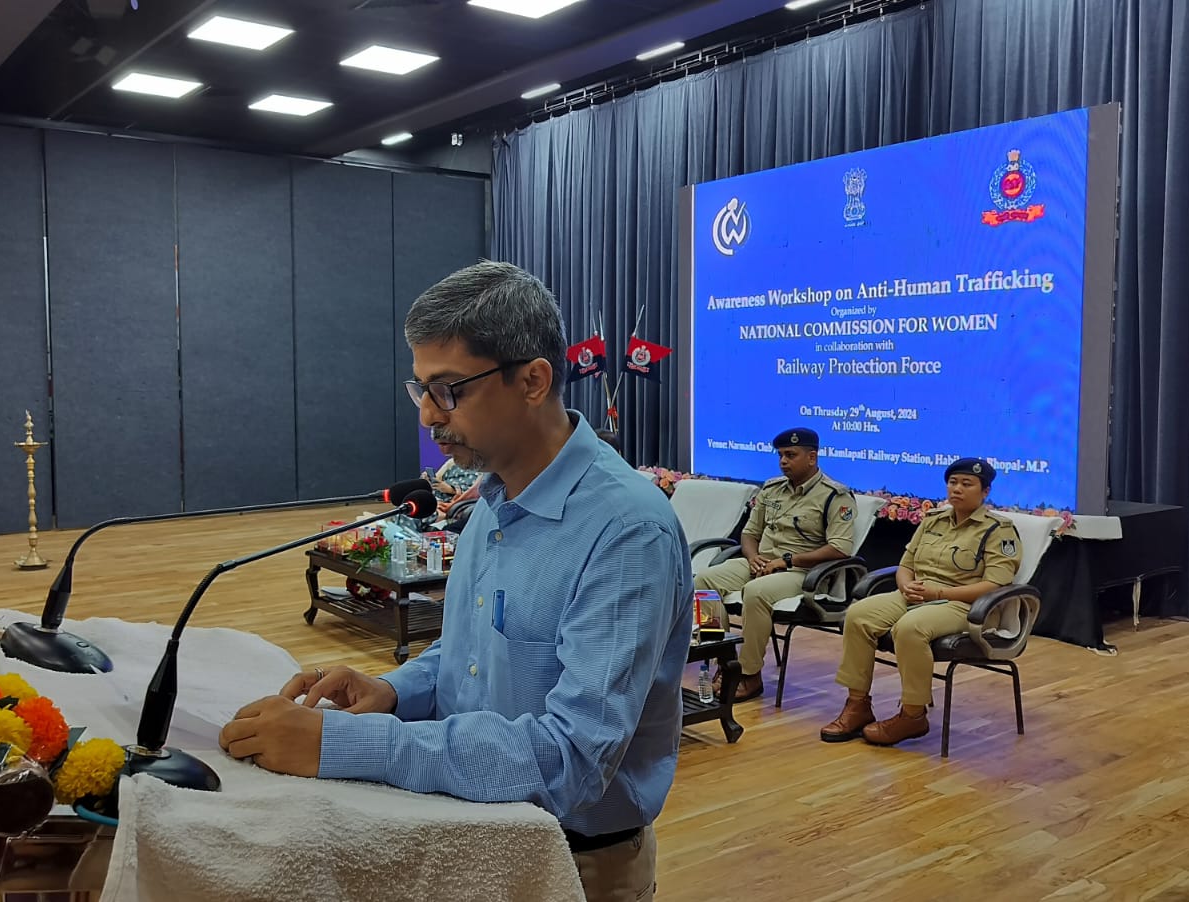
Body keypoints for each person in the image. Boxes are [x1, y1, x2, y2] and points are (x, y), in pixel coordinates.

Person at [219, 261, 694, 902]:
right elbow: (472, 652)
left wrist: (344, 743)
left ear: (532, 380)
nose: (427, 418)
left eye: (448, 390)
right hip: (469, 835)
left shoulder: (627, 530)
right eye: (419, 390)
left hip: (569, 866)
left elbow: (571, 759)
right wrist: (392, 691)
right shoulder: (493, 499)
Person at [822, 457, 1023, 747]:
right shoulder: (933, 520)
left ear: (985, 491)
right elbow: (905, 565)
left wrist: (938, 593)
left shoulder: (997, 530)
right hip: (915, 595)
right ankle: (857, 705)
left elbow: (995, 584)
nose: (957, 489)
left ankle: (913, 715)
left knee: (909, 628)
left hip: (962, 604)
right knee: (858, 615)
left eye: (967, 484)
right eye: (953, 482)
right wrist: (905, 586)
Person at [693, 428, 856, 701]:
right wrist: (752, 556)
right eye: (780, 455)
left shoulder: (834, 495)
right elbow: (749, 533)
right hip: (761, 562)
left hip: (801, 571)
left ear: (812, 457)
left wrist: (788, 560)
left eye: (790, 455)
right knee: (703, 582)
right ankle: (722, 657)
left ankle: (749, 674)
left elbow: (840, 548)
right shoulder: (771, 489)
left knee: (756, 593)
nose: (783, 461)